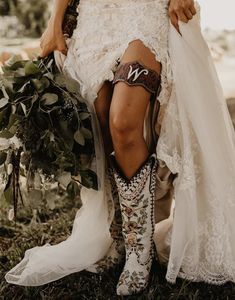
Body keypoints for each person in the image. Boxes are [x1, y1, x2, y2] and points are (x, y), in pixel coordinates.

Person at [5, 0, 235, 296]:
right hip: (96, 15)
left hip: (145, 12)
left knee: (123, 121)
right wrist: (55, 22)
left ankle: (140, 252)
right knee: (100, 126)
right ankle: (119, 236)